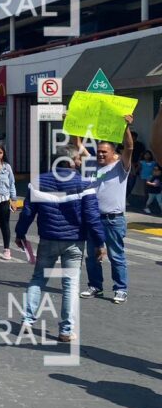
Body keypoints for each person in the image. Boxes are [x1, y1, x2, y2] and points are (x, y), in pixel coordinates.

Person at [15, 145, 106, 343]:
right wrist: (99, 243)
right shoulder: (84, 183)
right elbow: (92, 217)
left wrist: (20, 234)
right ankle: (66, 330)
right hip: (74, 241)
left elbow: (28, 212)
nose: (81, 162)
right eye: (79, 159)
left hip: (48, 239)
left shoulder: (38, 182)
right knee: (70, 285)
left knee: (38, 278)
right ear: (72, 162)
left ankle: (27, 321)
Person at [80, 115, 134, 304]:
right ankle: (96, 286)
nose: (101, 154)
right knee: (92, 255)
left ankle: (120, 289)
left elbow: (129, 147)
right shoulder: (92, 166)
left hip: (113, 220)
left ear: (113, 153)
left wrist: (126, 126)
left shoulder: (121, 167)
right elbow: (78, 148)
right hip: (94, 219)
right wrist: (70, 125)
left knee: (116, 255)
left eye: (104, 152)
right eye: (99, 152)